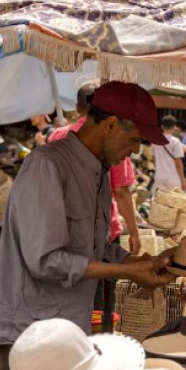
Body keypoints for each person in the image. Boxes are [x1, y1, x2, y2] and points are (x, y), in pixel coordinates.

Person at [0, 82, 178, 370]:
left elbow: (94, 247)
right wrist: (127, 270)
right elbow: (46, 260)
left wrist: (141, 262)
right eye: (135, 139)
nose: (136, 150)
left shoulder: (99, 170)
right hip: (29, 332)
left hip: (65, 328)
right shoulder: (47, 166)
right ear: (110, 125)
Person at [48, 85, 141, 255]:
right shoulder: (114, 138)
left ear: (77, 108)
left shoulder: (57, 136)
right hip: (103, 232)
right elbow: (121, 191)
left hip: (64, 232)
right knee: (103, 278)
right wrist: (134, 233)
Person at [152, 116, 186, 194]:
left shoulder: (155, 141)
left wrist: (158, 170)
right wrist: (182, 179)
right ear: (174, 127)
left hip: (159, 177)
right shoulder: (176, 141)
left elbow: (154, 159)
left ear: (162, 126)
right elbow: (178, 162)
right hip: (173, 178)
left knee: (160, 202)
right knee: (174, 203)